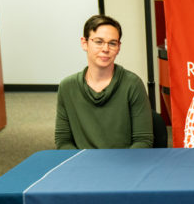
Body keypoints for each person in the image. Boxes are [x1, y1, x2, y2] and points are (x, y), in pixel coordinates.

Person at [55, 14, 153, 149]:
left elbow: (143, 140)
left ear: (118, 47)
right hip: (83, 166)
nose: (105, 49)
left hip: (124, 165)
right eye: (98, 42)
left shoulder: (132, 84)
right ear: (85, 43)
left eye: (112, 43)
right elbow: (63, 141)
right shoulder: (67, 87)